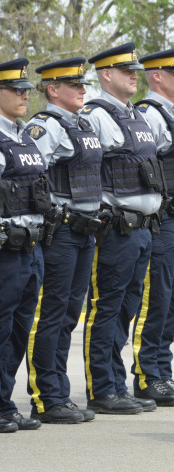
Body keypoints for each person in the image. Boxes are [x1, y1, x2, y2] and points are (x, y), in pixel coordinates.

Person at [82, 43, 162, 414]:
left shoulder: (137, 117)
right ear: (105, 75)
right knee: (107, 308)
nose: (134, 74)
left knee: (126, 309)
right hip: (115, 229)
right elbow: (85, 174)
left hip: (143, 229)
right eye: (125, 69)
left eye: (135, 69)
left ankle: (116, 383)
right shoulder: (95, 116)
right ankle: (102, 388)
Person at [24, 57, 100, 424]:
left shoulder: (81, 123)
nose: (83, 89)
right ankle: (46, 396)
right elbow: (27, 178)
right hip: (62, 231)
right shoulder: (44, 127)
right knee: (51, 313)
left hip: (85, 231)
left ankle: (60, 392)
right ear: (53, 89)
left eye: (83, 83)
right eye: (75, 84)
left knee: (70, 313)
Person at [130, 47, 174, 406]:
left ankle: (162, 371)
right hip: (167, 220)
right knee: (157, 298)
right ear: (156, 75)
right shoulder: (150, 114)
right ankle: (147, 376)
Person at [0, 58, 45, 433]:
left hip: (31, 248)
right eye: (16, 90)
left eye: (26, 90)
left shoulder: (24, 136)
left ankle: (4, 401)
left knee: (18, 328)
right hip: (5, 250)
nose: (24, 95)